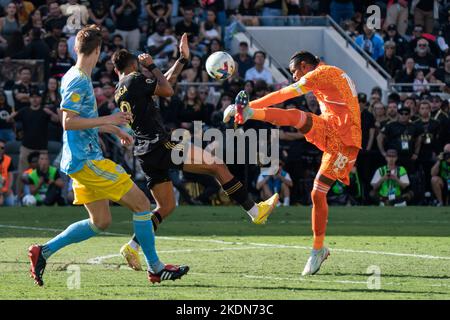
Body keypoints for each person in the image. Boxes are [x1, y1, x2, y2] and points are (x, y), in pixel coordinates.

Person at [28, 25, 189, 287]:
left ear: (76, 48)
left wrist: (111, 127)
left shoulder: (73, 74)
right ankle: (156, 268)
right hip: (87, 160)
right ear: (98, 51)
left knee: (100, 221)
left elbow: (83, 119)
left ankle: (42, 251)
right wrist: (111, 118)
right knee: (142, 206)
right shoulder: (79, 79)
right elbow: (68, 122)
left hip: (78, 160)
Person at [112, 34, 278, 271]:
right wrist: (151, 66)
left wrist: (181, 59)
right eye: (139, 66)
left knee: (166, 207)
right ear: (133, 65)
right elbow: (167, 89)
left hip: (145, 152)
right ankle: (255, 211)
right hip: (160, 144)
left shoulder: (121, 89)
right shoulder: (136, 78)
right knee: (217, 165)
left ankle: (132, 246)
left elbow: (164, 82)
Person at [224, 51, 361, 276]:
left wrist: (251, 102)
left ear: (306, 66)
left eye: (295, 71)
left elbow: (283, 93)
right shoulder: (329, 72)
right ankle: (249, 113)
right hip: (331, 126)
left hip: (345, 141)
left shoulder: (321, 73)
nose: (295, 76)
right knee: (297, 116)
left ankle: (318, 249)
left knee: (318, 193)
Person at [0, 139, 14, 206]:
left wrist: (9, 188)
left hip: (5, 190)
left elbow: (10, 176)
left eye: (2, 148)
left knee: (11, 204)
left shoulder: (8, 159)